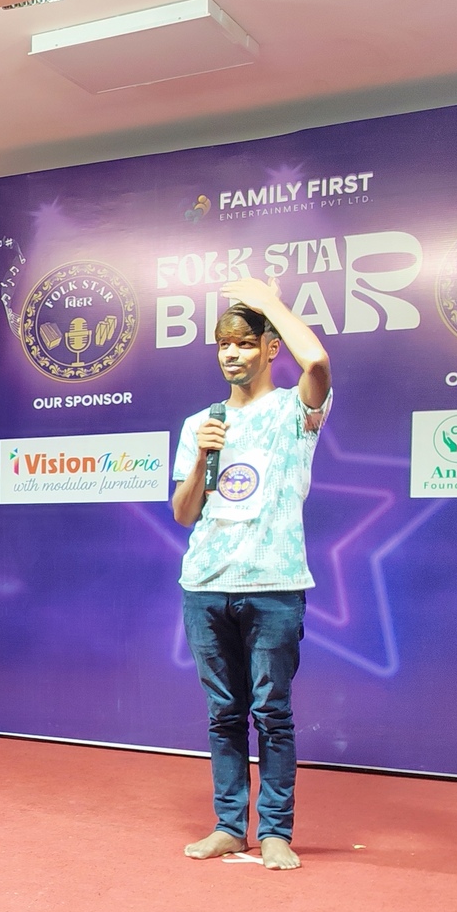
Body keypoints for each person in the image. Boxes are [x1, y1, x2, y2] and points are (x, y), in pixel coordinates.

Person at [170, 278, 332, 873]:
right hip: (205, 585)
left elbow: (316, 361)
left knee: (273, 713)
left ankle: (277, 832)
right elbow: (184, 513)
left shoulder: (294, 409)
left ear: (269, 347)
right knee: (224, 714)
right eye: (223, 344)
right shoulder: (201, 422)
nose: (231, 354)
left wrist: (268, 302)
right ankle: (228, 826)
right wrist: (201, 457)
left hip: (274, 584)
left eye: (244, 342)